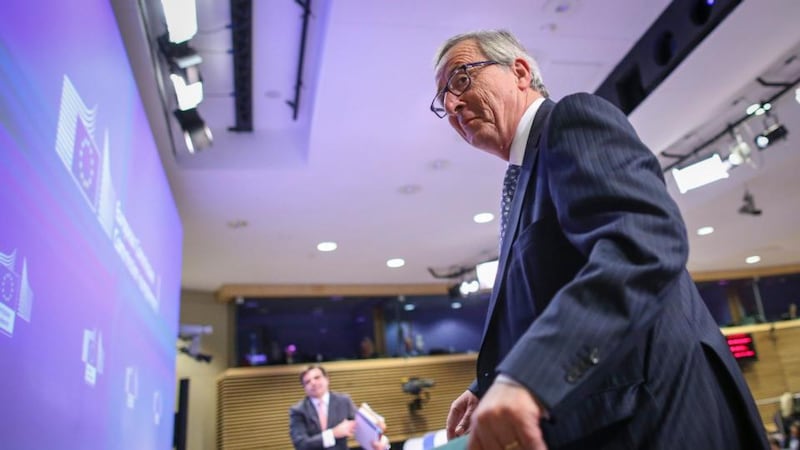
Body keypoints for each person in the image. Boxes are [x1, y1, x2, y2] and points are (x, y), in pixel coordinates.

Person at [430, 30, 767, 449]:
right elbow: (548, 297)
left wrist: (530, 375)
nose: (451, 104)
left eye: (461, 79)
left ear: (519, 71)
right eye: (442, 98)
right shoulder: (523, 178)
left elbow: (642, 244)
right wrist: (492, 383)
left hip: (664, 416)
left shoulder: (570, 120)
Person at [289, 364, 389, 450]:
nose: (313, 383)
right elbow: (301, 444)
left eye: (317, 378)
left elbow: (366, 425)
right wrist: (333, 434)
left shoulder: (343, 401)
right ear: (304, 388)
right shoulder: (298, 411)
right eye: (307, 382)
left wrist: (380, 438)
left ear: (327, 379)